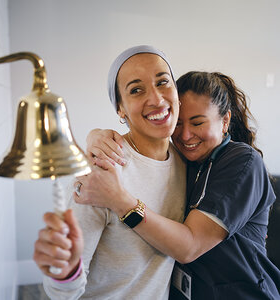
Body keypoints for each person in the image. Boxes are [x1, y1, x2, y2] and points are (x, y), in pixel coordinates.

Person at [80, 71, 280, 299]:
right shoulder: (181, 159)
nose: (185, 136)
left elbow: (189, 247)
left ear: (225, 121)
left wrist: (120, 201)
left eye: (197, 122)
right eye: (178, 124)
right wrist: (96, 136)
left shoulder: (243, 162)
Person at [33, 45, 187, 299]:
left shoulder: (186, 161)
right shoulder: (102, 169)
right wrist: (64, 271)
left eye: (163, 82)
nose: (157, 99)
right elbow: (61, 292)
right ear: (120, 109)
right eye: (136, 90)